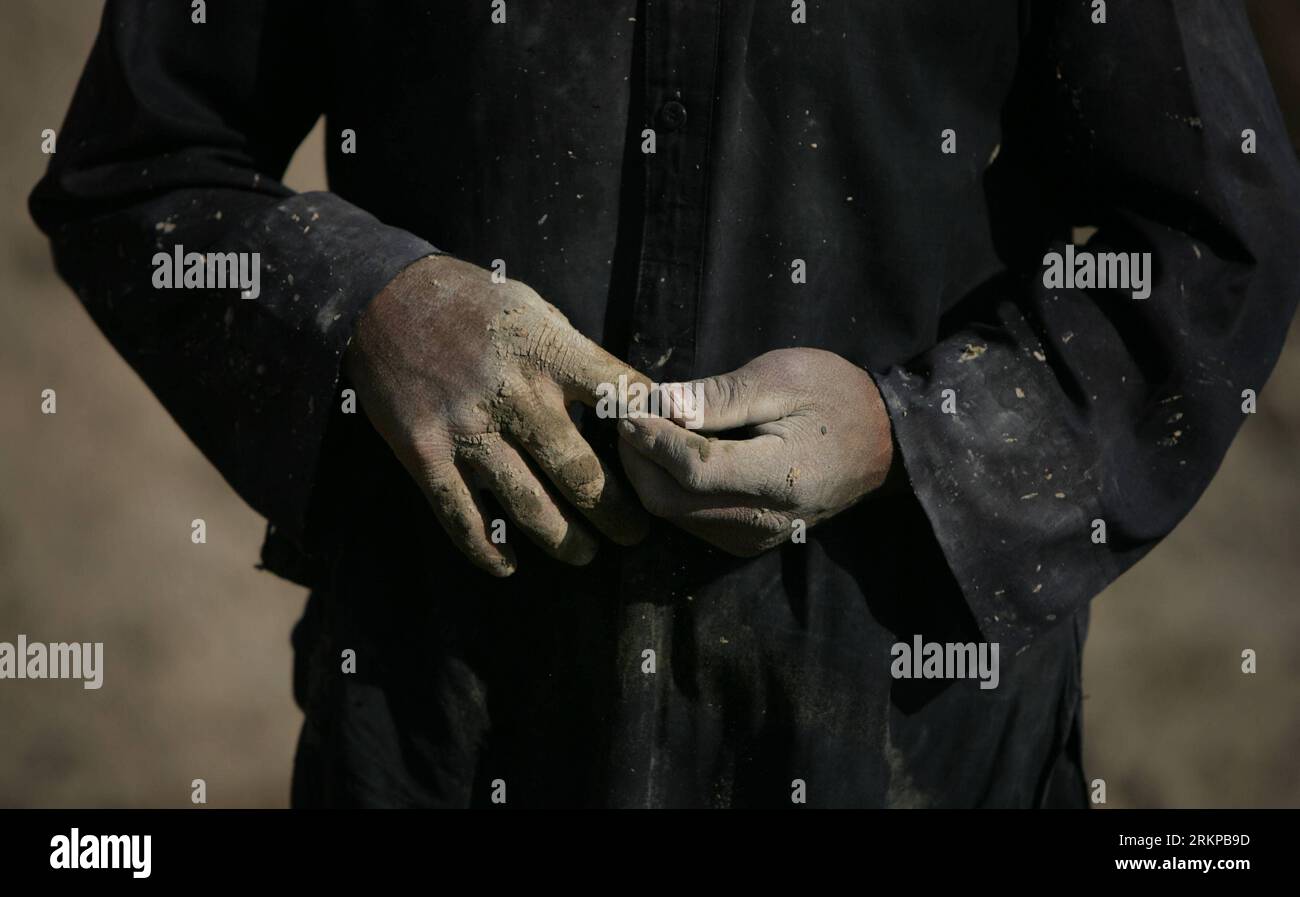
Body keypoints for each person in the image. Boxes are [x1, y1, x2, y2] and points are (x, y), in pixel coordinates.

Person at [31, 0, 1300, 807]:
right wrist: (370, 306)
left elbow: (1211, 233)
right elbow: (138, 167)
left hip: (898, 732)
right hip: (442, 726)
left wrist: (910, 435)